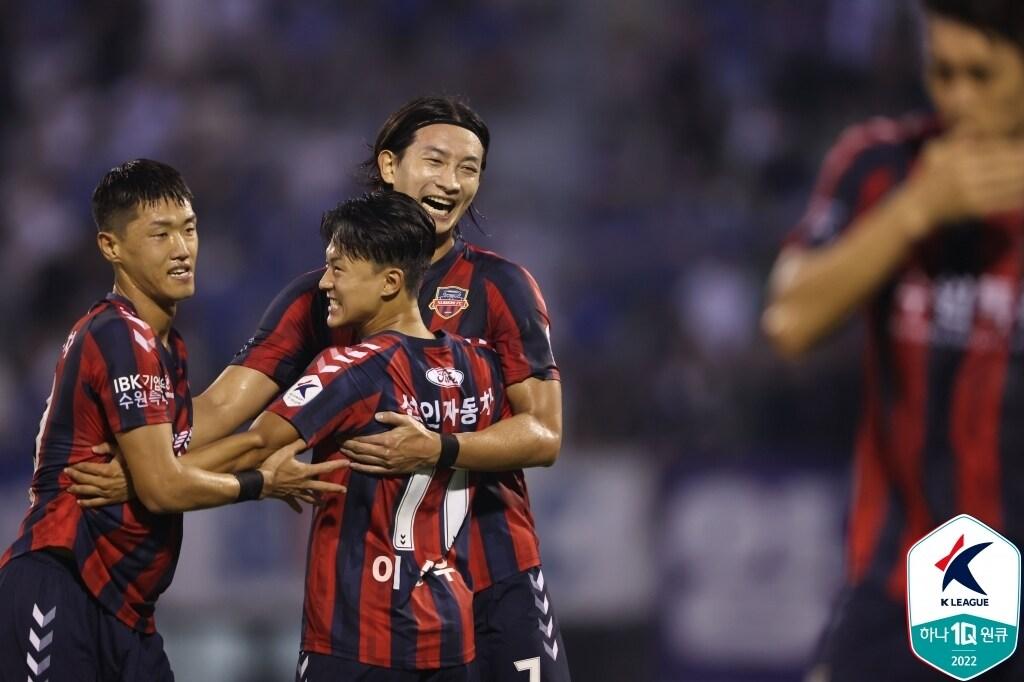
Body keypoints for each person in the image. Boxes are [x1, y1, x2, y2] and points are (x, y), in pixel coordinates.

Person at [70, 96, 571, 681]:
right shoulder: (326, 297)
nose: (452, 182)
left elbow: (543, 434)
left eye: (470, 168)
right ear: (389, 166)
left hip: (497, 573)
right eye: (436, 161)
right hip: (380, 596)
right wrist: (149, 459)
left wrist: (440, 448)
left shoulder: (501, 285)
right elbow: (223, 406)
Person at [0, 159, 345, 682]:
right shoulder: (118, 335)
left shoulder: (164, 347)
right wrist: (260, 481)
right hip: (63, 584)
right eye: (159, 234)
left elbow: (200, 428)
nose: (182, 249)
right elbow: (163, 487)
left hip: (127, 612)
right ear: (111, 247)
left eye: (189, 229)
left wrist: (258, 441)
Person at [762, 2, 1024, 680]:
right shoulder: (880, 166)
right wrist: (916, 210)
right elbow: (789, 320)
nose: (957, 97)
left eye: (981, 75)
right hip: (910, 579)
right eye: (942, 72)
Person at [186, 191, 512, 679]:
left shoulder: (351, 367)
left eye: (337, 269)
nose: (324, 283)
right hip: (450, 636)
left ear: (390, 282)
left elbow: (255, 444)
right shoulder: (480, 366)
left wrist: (151, 476)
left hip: (357, 639)